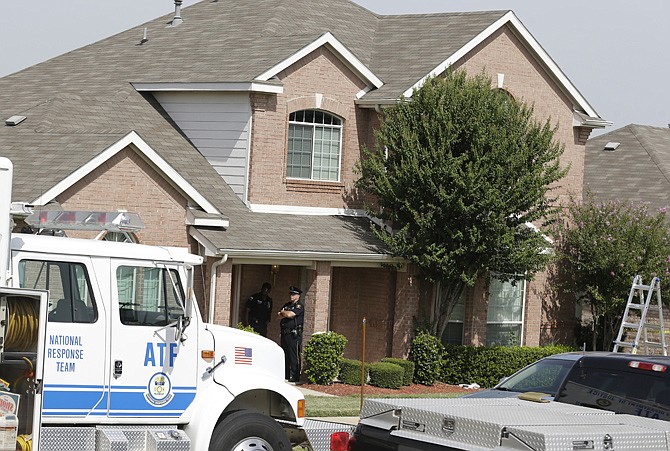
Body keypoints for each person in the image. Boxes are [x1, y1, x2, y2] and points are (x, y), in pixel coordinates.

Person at [278, 285, 304, 382]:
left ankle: (295, 375)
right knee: (285, 354)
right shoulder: (287, 305)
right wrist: (284, 313)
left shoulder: (299, 306)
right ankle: (286, 375)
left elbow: (290, 314)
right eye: (291, 294)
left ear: (298, 296)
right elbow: (278, 315)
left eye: (293, 294)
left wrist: (284, 313)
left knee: (294, 355)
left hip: (294, 334)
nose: (291, 296)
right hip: (285, 333)